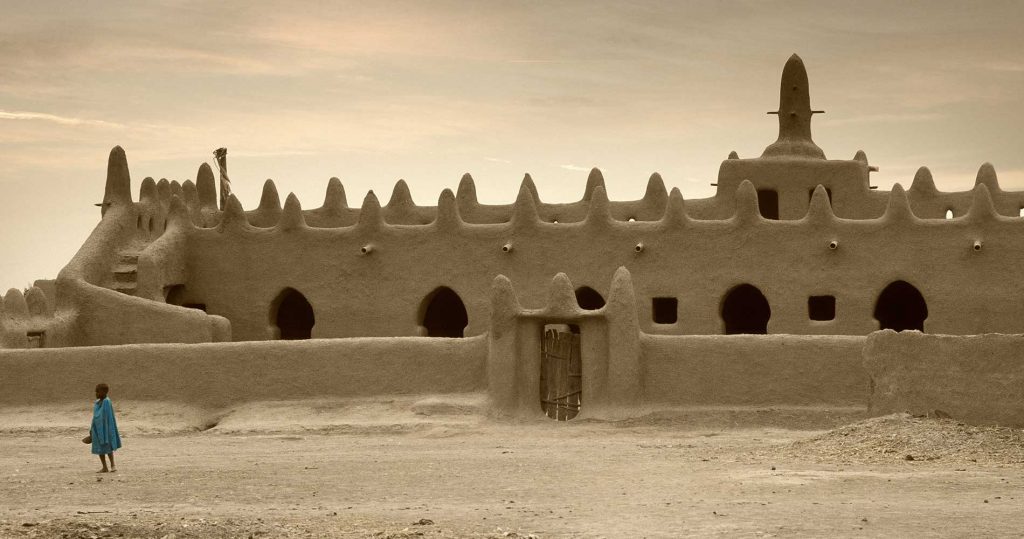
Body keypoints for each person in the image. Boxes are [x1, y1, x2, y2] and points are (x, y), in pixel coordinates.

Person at [86, 383, 122, 473]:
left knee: (108, 447)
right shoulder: (97, 403)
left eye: (97, 392)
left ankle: (113, 465)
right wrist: (92, 428)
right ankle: (104, 467)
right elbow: (95, 416)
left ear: (103, 392)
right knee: (100, 448)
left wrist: (105, 429)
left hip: (106, 429)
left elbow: (106, 417)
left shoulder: (106, 401)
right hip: (97, 429)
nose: (96, 394)